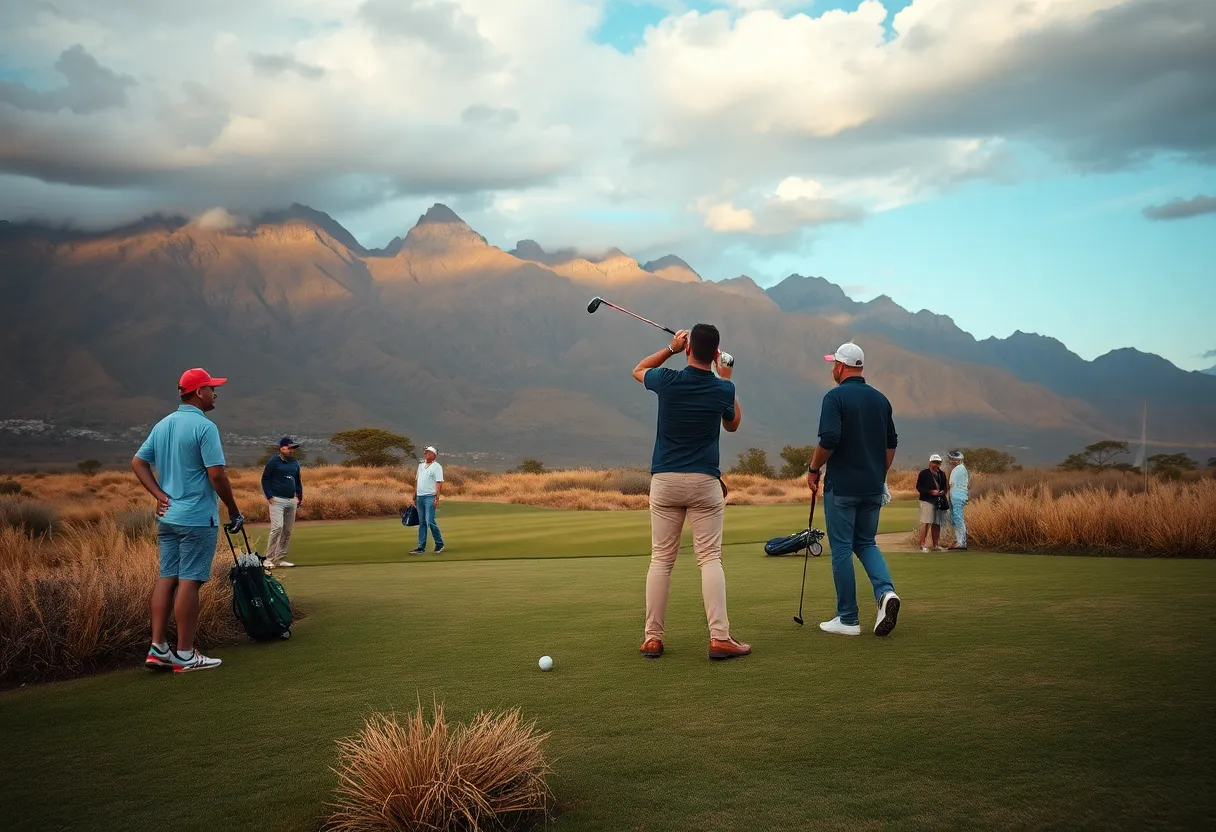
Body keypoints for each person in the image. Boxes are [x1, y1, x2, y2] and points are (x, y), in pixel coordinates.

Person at [633, 323, 750, 661]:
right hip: (704, 482)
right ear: (716, 354)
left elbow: (639, 370)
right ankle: (720, 638)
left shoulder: (667, 380)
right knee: (709, 558)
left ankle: (652, 638)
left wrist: (669, 348)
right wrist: (725, 378)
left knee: (661, 560)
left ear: (688, 349)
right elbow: (733, 424)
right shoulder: (722, 388)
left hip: (665, 480)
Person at [131, 368, 244, 673]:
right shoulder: (204, 427)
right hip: (195, 517)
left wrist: (158, 494)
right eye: (211, 388)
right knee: (189, 583)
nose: (215, 393)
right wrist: (233, 509)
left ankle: (158, 649)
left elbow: (138, 462)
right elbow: (217, 474)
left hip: (168, 518)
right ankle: (184, 654)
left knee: (168, 577)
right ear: (198, 393)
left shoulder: (164, 424)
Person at [806, 342, 902, 637]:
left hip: (843, 487)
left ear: (840, 366)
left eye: (833, 364)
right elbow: (891, 443)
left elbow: (830, 437)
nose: (832, 368)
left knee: (842, 549)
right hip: (872, 487)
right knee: (866, 543)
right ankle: (886, 594)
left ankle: (848, 618)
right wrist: (879, 474)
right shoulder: (881, 400)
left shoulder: (834, 397)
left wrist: (813, 469)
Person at [262, 435, 304, 568]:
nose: (291, 450)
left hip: (292, 500)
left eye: (292, 448)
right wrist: (269, 495)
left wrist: (300, 496)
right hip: (277, 500)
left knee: (287, 530)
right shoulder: (274, 461)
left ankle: (278, 559)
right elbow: (265, 479)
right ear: (281, 448)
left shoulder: (295, 463)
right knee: (277, 528)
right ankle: (268, 559)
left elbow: (297, 481)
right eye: (288, 448)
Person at [409, 446, 445, 554]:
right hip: (420, 497)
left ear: (434, 455)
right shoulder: (420, 466)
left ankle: (439, 543)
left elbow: (439, 483)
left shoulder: (437, 467)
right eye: (425, 452)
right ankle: (421, 547)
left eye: (428, 452)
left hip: (430, 496)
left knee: (430, 521)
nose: (426, 454)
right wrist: (414, 497)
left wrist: (437, 498)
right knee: (422, 522)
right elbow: (417, 482)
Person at [916, 453, 950, 552]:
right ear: (930, 462)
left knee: (936, 523)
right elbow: (919, 487)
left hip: (938, 501)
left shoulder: (942, 474)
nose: (936, 464)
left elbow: (944, 487)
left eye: (938, 463)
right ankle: (922, 544)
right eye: (934, 462)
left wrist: (943, 492)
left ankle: (935, 545)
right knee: (926, 522)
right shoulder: (924, 473)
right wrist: (930, 491)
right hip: (927, 500)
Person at [947, 450, 969, 550]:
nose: (952, 460)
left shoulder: (961, 468)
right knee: (955, 519)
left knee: (958, 518)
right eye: (951, 459)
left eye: (954, 459)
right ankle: (959, 540)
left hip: (958, 495)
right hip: (955, 495)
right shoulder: (958, 468)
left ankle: (962, 541)